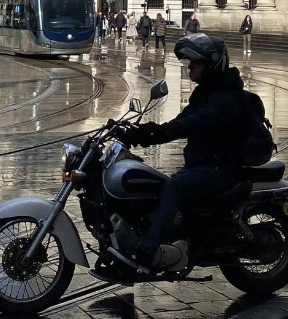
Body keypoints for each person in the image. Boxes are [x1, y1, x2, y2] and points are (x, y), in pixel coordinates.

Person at [112, 33, 264, 271]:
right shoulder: (205, 93)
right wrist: (140, 133)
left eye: (196, 63)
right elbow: (181, 121)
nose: (190, 67)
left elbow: (190, 124)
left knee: (175, 186)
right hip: (202, 165)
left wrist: (153, 133)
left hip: (220, 169)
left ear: (212, 66)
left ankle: (146, 251)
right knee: (156, 184)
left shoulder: (225, 100)